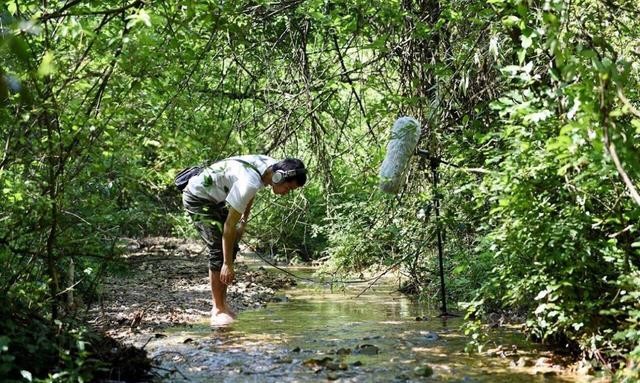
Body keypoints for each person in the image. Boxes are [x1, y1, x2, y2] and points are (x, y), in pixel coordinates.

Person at [181, 154, 307, 326]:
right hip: (197, 198)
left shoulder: (268, 167)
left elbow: (249, 195)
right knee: (219, 250)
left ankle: (223, 305)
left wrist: (243, 222)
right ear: (278, 177)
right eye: (289, 188)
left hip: (215, 198)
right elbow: (228, 226)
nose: (287, 193)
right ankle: (217, 309)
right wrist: (227, 264)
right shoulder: (249, 182)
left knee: (231, 247)